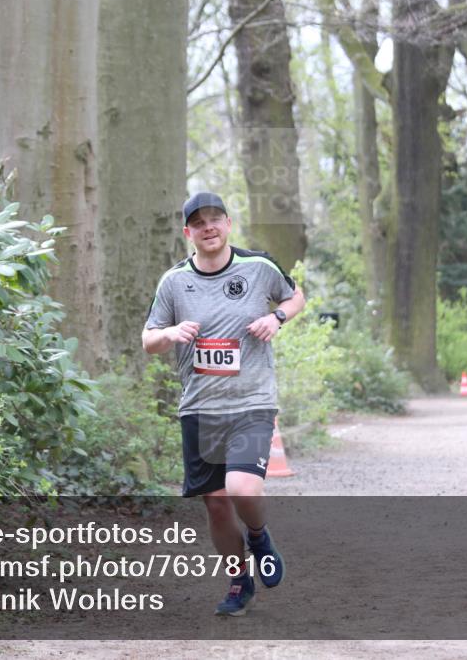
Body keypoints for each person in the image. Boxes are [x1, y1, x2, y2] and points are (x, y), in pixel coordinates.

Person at [141, 191, 306, 617]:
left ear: (228, 224)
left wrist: (277, 317)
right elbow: (148, 340)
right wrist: (171, 334)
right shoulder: (174, 281)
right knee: (215, 502)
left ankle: (258, 535)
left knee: (242, 489)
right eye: (199, 223)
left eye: (215, 219)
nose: (208, 227)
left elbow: (296, 297)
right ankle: (239, 581)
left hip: (251, 401)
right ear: (188, 232)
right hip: (200, 408)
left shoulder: (258, 267)